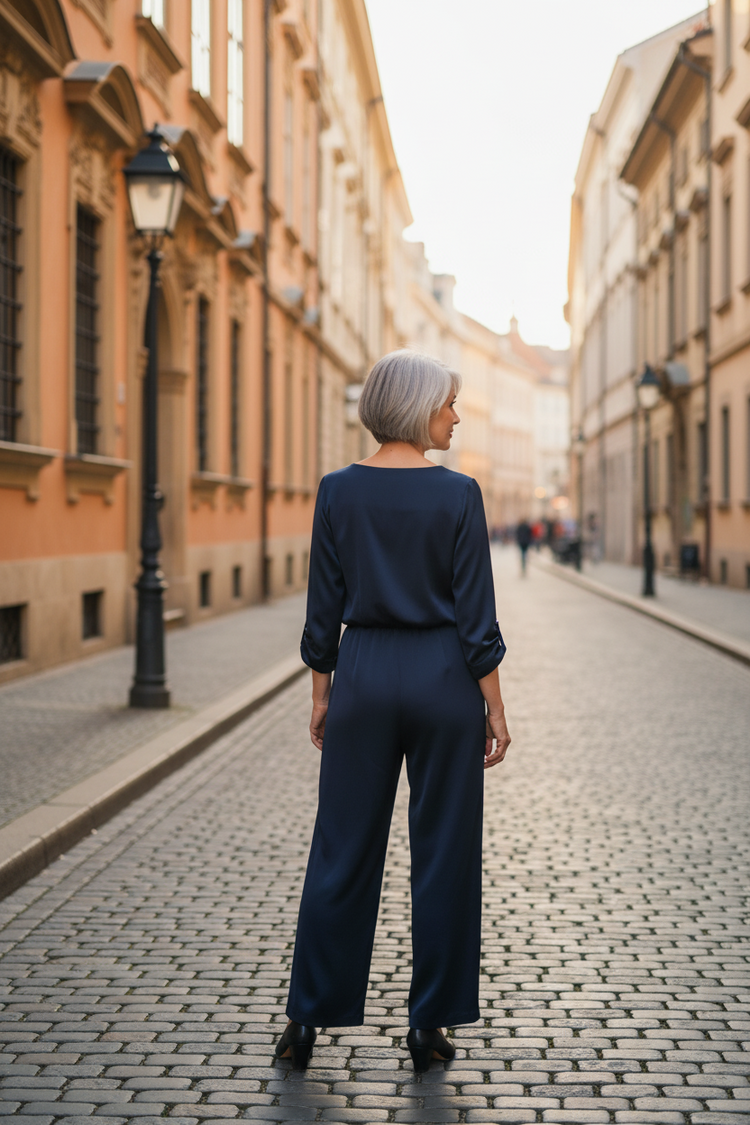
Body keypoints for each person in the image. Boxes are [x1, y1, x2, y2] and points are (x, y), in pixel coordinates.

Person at [274, 350, 511, 1074]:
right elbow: (476, 617)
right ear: (416, 407)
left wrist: (323, 693)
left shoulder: (336, 490)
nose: (456, 416)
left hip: (364, 673)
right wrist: (495, 707)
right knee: (444, 853)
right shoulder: (460, 494)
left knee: (341, 849)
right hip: (444, 678)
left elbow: (323, 607)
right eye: (448, 403)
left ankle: (305, 1019)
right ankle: (428, 1023)